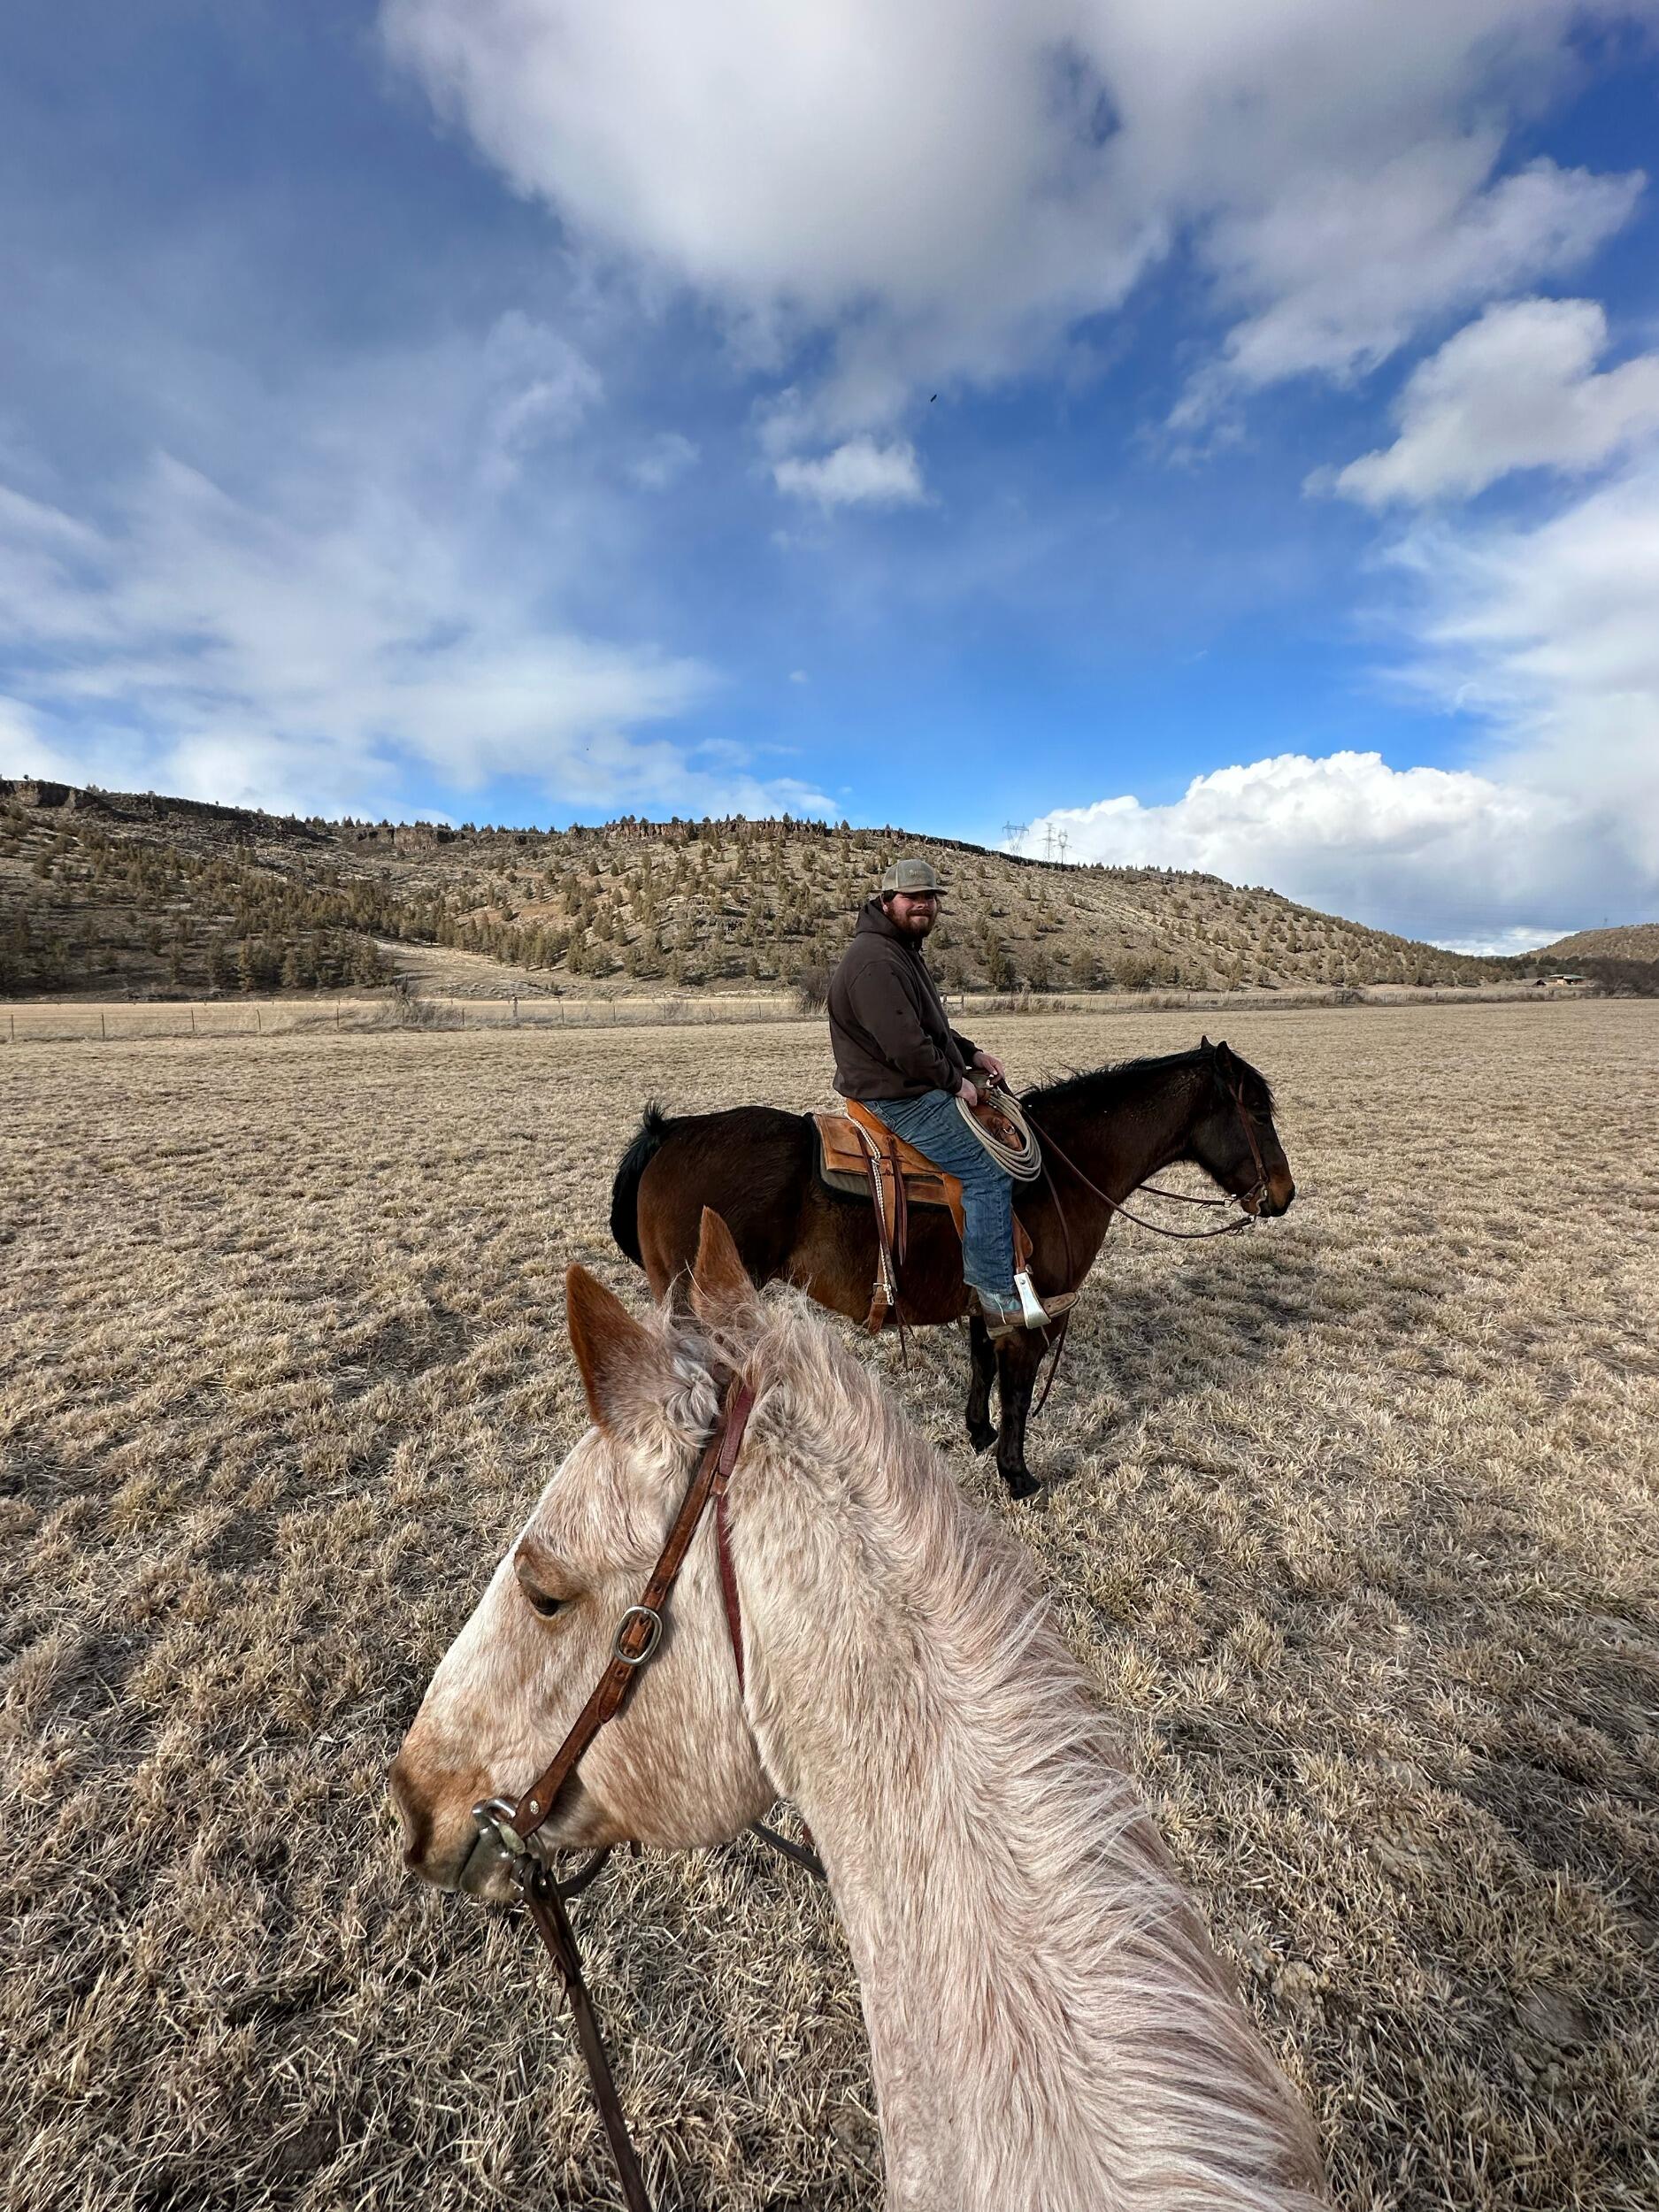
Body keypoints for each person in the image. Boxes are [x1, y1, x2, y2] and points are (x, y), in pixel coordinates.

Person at [826, 856, 1041, 1331]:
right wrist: (955, 1081)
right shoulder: (876, 962)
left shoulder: (899, 948)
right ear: (888, 901)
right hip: (897, 1095)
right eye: (913, 897)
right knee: (986, 1171)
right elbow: (906, 1047)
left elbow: (929, 1028)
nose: (923, 905)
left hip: (907, 1082)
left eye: (930, 898)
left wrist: (971, 1053)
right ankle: (996, 1298)